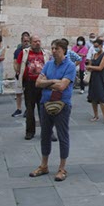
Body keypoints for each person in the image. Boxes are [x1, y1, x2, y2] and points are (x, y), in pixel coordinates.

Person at [31, 39, 74, 182]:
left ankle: (62, 168)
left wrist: (47, 83)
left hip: (62, 105)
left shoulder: (70, 66)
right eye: (52, 48)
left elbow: (62, 87)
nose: (54, 51)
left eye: (56, 48)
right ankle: (44, 165)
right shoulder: (48, 64)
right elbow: (37, 83)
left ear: (63, 50)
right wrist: (53, 81)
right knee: (45, 135)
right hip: (45, 103)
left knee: (63, 135)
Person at [19, 37, 47, 140]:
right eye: (35, 41)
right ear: (31, 43)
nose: (37, 43)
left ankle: (47, 131)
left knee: (44, 109)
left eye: (39, 41)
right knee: (30, 109)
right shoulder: (24, 53)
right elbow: (18, 65)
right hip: (30, 84)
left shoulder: (46, 53)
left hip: (43, 84)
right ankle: (30, 131)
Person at [87, 41, 104, 124]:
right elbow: (91, 63)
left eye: (97, 46)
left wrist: (90, 67)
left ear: (101, 46)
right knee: (93, 97)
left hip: (100, 78)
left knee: (101, 97)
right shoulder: (94, 55)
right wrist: (90, 67)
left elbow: (100, 67)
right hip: (93, 77)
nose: (96, 48)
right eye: (94, 46)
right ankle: (95, 115)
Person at [10, 31, 31, 117]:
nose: (26, 43)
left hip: (28, 75)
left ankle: (28, 109)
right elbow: (15, 62)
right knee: (18, 92)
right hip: (19, 74)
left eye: (27, 41)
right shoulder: (17, 51)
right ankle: (18, 109)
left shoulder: (30, 51)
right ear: (21, 41)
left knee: (28, 93)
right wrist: (17, 71)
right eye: (24, 41)